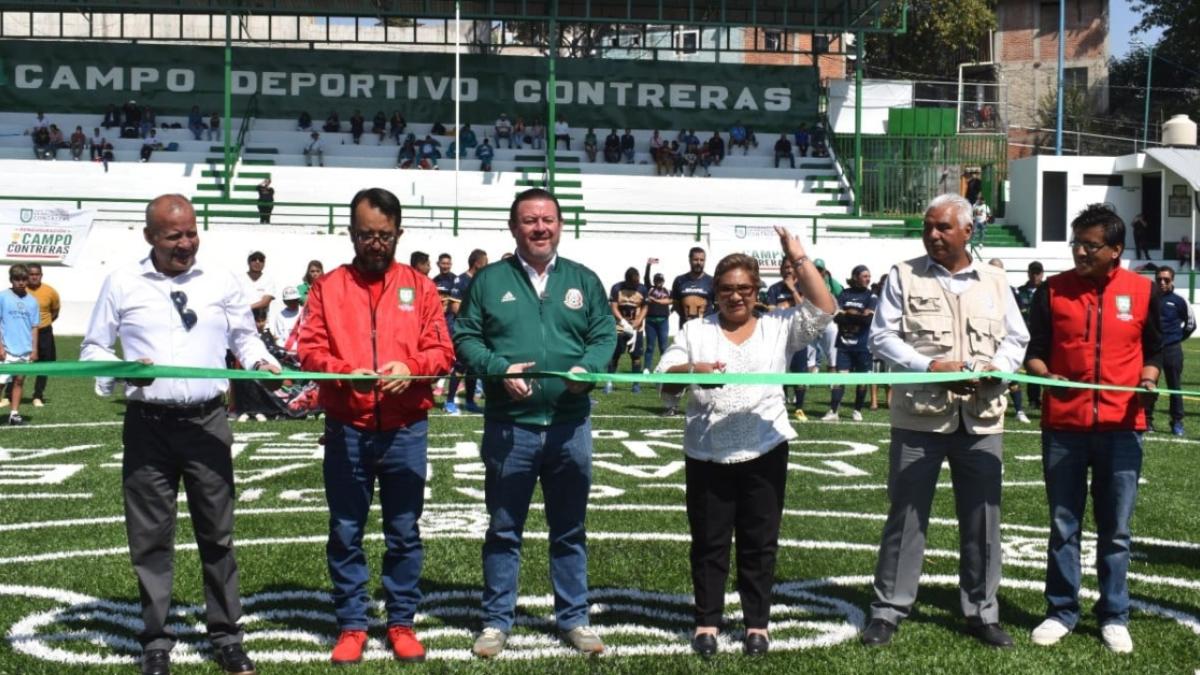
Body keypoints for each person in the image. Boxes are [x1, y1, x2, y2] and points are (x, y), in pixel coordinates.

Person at [80, 194, 280, 675]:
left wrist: (259, 361)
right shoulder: (122, 282)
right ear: (150, 236)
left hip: (207, 423)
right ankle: (155, 642)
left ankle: (227, 635)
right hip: (148, 427)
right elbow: (92, 350)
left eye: (191, 233)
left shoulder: (220, 280)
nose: (185, 243)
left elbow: (243, 337)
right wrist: (123, 372)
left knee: (218, 534)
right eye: (174, 235)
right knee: (150, 539)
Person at [860, 193, 1030, 649]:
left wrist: (999, 368)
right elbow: (881, 337)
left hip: (981, 420)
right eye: (928, 226)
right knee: (906, 515)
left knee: (983, 520)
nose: (933, 235)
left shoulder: (995, 280)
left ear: (968, 232)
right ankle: (888, 609)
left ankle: (982, 611)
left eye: (943, 228)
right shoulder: (904, 275)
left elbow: (1017, 338)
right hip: (919, 418)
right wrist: (927, 367)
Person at [453, 188, 615, 659]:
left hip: (570, 426)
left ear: (561, 225)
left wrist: (589, 369)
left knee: (569, 528)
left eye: (547, 219)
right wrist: (496, 368)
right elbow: (465, 336)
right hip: (511, 427)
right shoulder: (489, 281)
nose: (539, 228)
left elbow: (604, 333)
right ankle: (496, 621)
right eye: (529, 220)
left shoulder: (583, 280)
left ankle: (574, 618)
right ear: (513, 228)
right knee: (504, 528)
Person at [657, 231, 834, 657]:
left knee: (759, 541)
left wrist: (799, 257)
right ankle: (707, 623)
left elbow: (825, 308)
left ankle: (757, 624)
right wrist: (693, 369)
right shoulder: (695, 330)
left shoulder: (779, 327)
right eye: (726, 289)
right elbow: (664, 376)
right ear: (715, 291)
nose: (735, 296)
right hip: (707, 452)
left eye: (744, 289)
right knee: (709, 542)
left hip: (766, 448)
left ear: (757, 291)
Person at [296, 187, 454, 664]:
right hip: (348, 427)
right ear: (351, 233)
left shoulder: (422, 287)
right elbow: (308, 349)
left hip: (407, 429)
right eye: (366, 234)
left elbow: (443, 351)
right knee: (346, 529)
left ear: (399, 234)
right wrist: (344, 373)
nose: (375, 244)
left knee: (404, 530)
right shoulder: (328, 287)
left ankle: (401, 622)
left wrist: (413, 367)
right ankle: (351, 624)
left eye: (384, 235)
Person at [1023, 204, 1161, 655]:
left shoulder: (1142, 291)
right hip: (1064, 426)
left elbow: (1155, 349)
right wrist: (1047, 376)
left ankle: (1114, 614)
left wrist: (1148, 379)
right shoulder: (1053, 291)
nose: (1079, 252)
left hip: (1123, 427)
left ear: (1115, 250)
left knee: (1115, 529)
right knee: (1064, 524)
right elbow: (1035, 349)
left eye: (1090, 245)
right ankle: (1061, 610)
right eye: (1075, 243)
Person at [822, 265, 876, 422]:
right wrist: (857, 314)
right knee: (840, 378)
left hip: (863, 346)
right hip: (844, 345)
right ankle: (833, 410)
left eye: (869, 276)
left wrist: (848, 313)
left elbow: (868, 320)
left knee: (862, 379)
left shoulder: (871, 296)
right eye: (865, 276)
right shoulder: (844, 294)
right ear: (855, 277)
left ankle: (857, 410)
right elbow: (837, 317)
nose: (868, 279)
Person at [1146, 265, 1194, 436]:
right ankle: (1147, 420)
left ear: (1172, 280)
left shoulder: (1180, 301)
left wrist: (1176, 339)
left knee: (1175, 387)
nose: (1162, 282)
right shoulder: (1148, 298)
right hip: (1152, 351)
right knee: (1149, 386)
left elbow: (1190, 325)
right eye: (1159, 279)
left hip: (1172, 350)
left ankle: (1177, 422)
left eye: (1166, 279)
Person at [444, 249, 488, 415]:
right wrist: (474, 318)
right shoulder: (461, 280)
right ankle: (449, 402)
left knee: (474, 368)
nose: (487, 264)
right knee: (460, 366)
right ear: (477, 263)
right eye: (485, 261)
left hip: (478, 331)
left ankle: (469, 401)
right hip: (464, 331)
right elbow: (455, 307)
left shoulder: (483, 280)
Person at [0, 265, 40, 426]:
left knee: (19, 381)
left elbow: (34, 327)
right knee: (1, 383)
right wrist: (0, 346)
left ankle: (14, 414)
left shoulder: (32, 301)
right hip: (6, 348)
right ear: (11, 280)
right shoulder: (3, 297)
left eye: (24, 279)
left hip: (24, 350)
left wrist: (34, 349)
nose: (21, 282)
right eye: (17, 279)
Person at [606, 267, 648, 394]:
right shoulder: (617, 288)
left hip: (636, 329)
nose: (636, 285)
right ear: (627, 281)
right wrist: (622, 321)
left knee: (636, 357)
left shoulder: (642, 289)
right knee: (615, 355)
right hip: (620, 328)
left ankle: (635, 384)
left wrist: (638, 321)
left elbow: (645, 307)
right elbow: (613, 307)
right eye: (633, 283)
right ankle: (609, 382)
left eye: (637, 282)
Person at [24, 264, 59, 409]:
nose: (34, 276)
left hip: (44, 332)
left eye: (37, 274)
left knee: (44, 365)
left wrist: (43, 324)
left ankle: (38, 395)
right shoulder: (19, 291)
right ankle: (8, 394)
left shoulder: (50, 291)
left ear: (41, 275)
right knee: (18, 363)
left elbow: (55, 311)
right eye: (31, 274)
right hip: (24, 332)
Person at [1014, 261, 1044, 409]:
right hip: (1025, 336)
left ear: (1042, 274)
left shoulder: (1047, 291)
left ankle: (1048, 398)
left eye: (1038, 273)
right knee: (1030, 368)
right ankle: (1033, 399)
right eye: (1032, 272)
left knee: (1045, 368)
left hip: (1042, 336)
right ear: (1028, 273)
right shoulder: (1020, 292)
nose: (1035, 276)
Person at [671, 247, 714, 328]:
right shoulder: (679, 280)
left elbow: (717, 306)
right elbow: (675, 304)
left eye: (702, 260)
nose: (699, 262)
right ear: (690, 260)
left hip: (707, 328)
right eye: (696, 259)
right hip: (685, 327)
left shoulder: (712, 281)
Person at [642, 259, 672, 371]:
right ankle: (646, 368)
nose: (659, 282)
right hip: (650, 321)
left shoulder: (668, 291)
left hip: (663, 321)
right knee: (650, 346)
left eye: (660, 280)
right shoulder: (650, 289)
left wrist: (671, 311)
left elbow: (676, 300)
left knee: (663, 347)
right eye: (657, 280)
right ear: (654, 281)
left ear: (663, 281)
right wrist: (648, 265)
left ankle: (664, 368)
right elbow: (645, 278)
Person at [269, 286, 304, 354]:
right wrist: (284, 352)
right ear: (285, 302)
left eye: (295, 300)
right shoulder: (280, 316)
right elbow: (278, 338)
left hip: (303, 350)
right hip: (288, 352)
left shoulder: (305, 312)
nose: (293, 303)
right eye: (290, 301)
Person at [243, 251, 276, 321]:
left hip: (260, 324)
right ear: (248, 262)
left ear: (264, 263)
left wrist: (245, 308)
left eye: (261, 260)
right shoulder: (238, 279)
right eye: (254, 259)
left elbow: (265, 302)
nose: (257, 262)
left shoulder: (268, 280)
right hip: (241, 322)